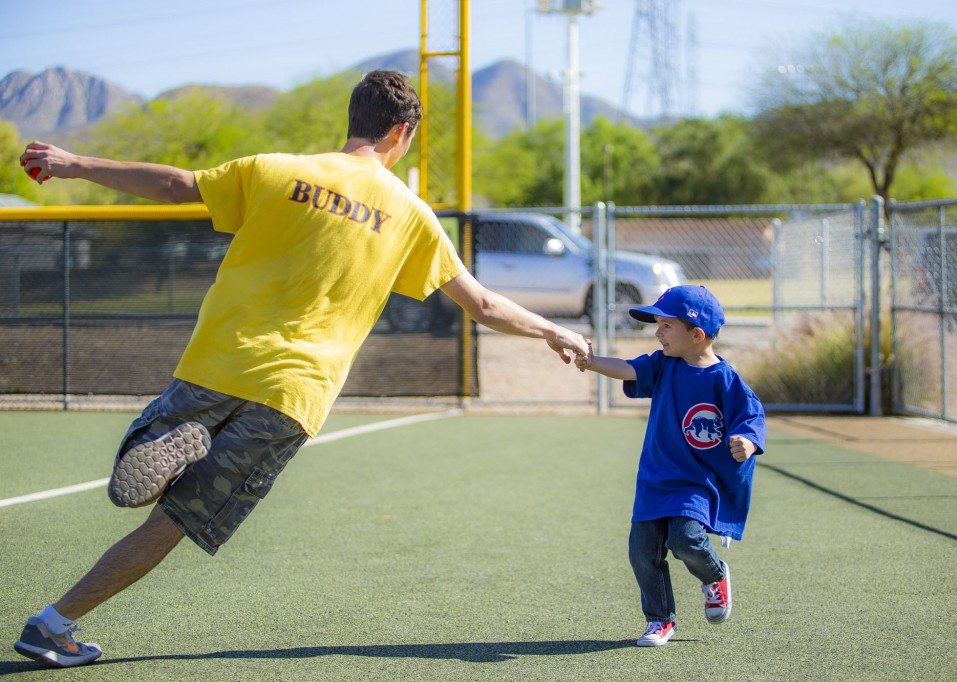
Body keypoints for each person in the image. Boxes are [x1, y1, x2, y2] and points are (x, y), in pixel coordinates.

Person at [14, 69, 590, 669]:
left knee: (156, 457)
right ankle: (54, 624)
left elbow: (174, 184)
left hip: (216, 362)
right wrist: (555, 331)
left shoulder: (274, 169)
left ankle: (157, 447)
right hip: (292, 395)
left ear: (353, 119)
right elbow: (484, 305)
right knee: (176, 520)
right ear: (401, 132)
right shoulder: (411, 214)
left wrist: (74, 163)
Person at [574, 284, 765, 647]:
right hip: (656, 477)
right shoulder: (663, 365)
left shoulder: (726, 379)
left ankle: (714, 574)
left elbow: (751, 417)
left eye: (666, 325)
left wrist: (749, 442)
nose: (657, 332)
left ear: (696, 334)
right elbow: (628, 369)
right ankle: (660, 620)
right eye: (657, 325)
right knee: (641, 551)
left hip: (697, 482)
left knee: (686, 539)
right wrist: (592, 361)